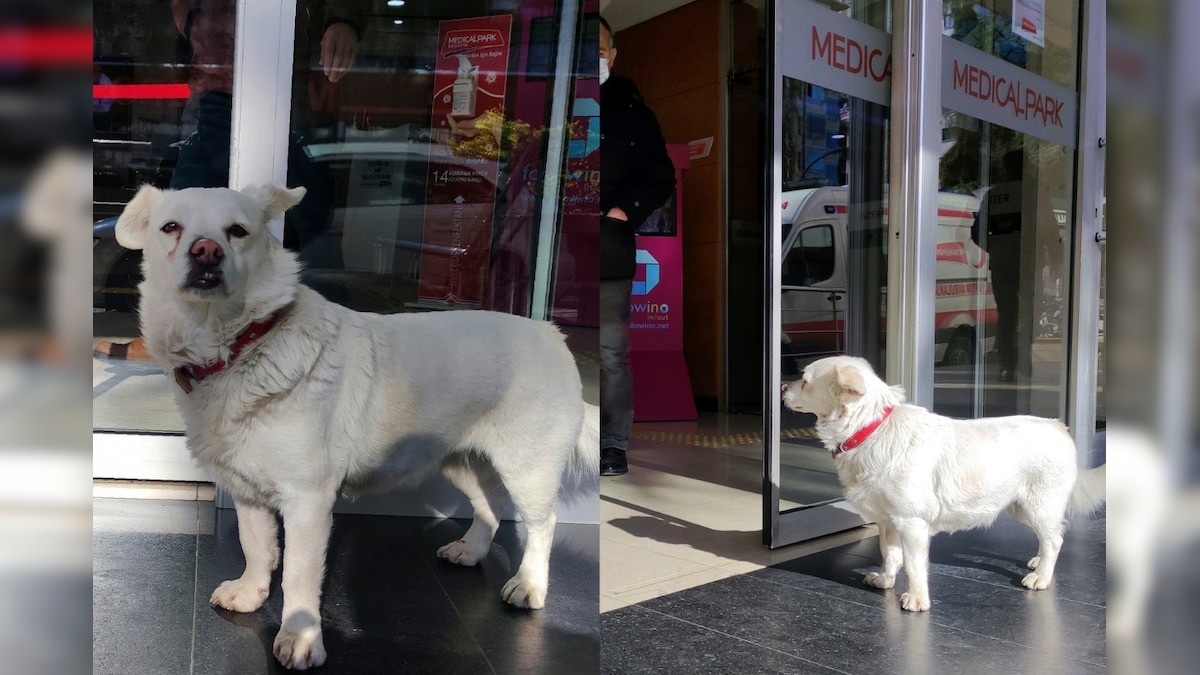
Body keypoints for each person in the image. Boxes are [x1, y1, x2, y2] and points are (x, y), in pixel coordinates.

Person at [599, 16, 676, 476]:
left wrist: (622, 211)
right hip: (554, 250)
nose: (596, 59)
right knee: (547, 347)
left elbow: (660, 175)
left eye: (601, 50)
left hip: (607, 249)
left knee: (609, 352)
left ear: (613, 55)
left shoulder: (632, 112)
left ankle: (611, 444)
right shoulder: (552, 103)